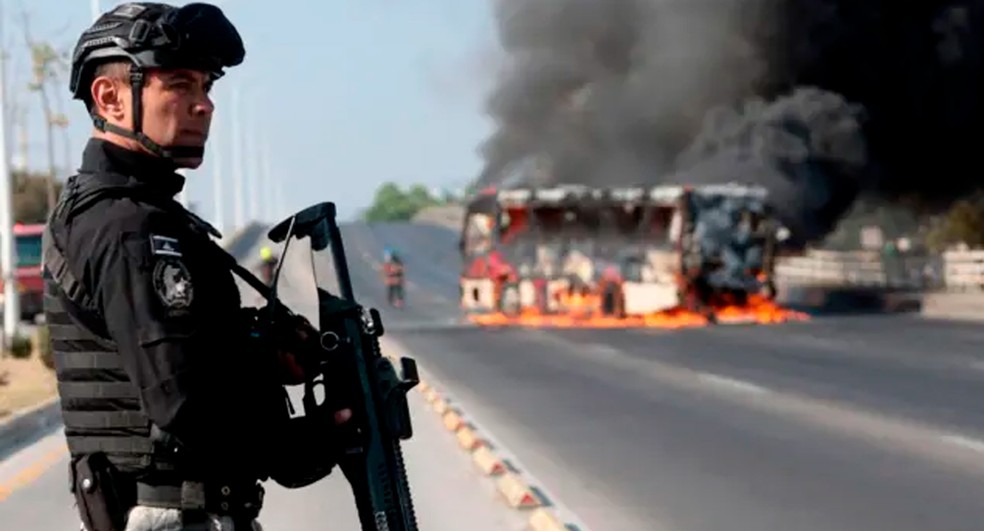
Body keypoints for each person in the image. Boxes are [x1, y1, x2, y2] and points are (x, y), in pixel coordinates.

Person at [43, 4, 351, 530]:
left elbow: (189, 356)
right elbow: (184, 402)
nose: (203, 105)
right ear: (111, 98)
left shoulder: (148, 215)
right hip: (170, 517)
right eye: (180, 85)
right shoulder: (127, 226)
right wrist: (305, 442)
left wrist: (262, 350)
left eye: (206, 87)